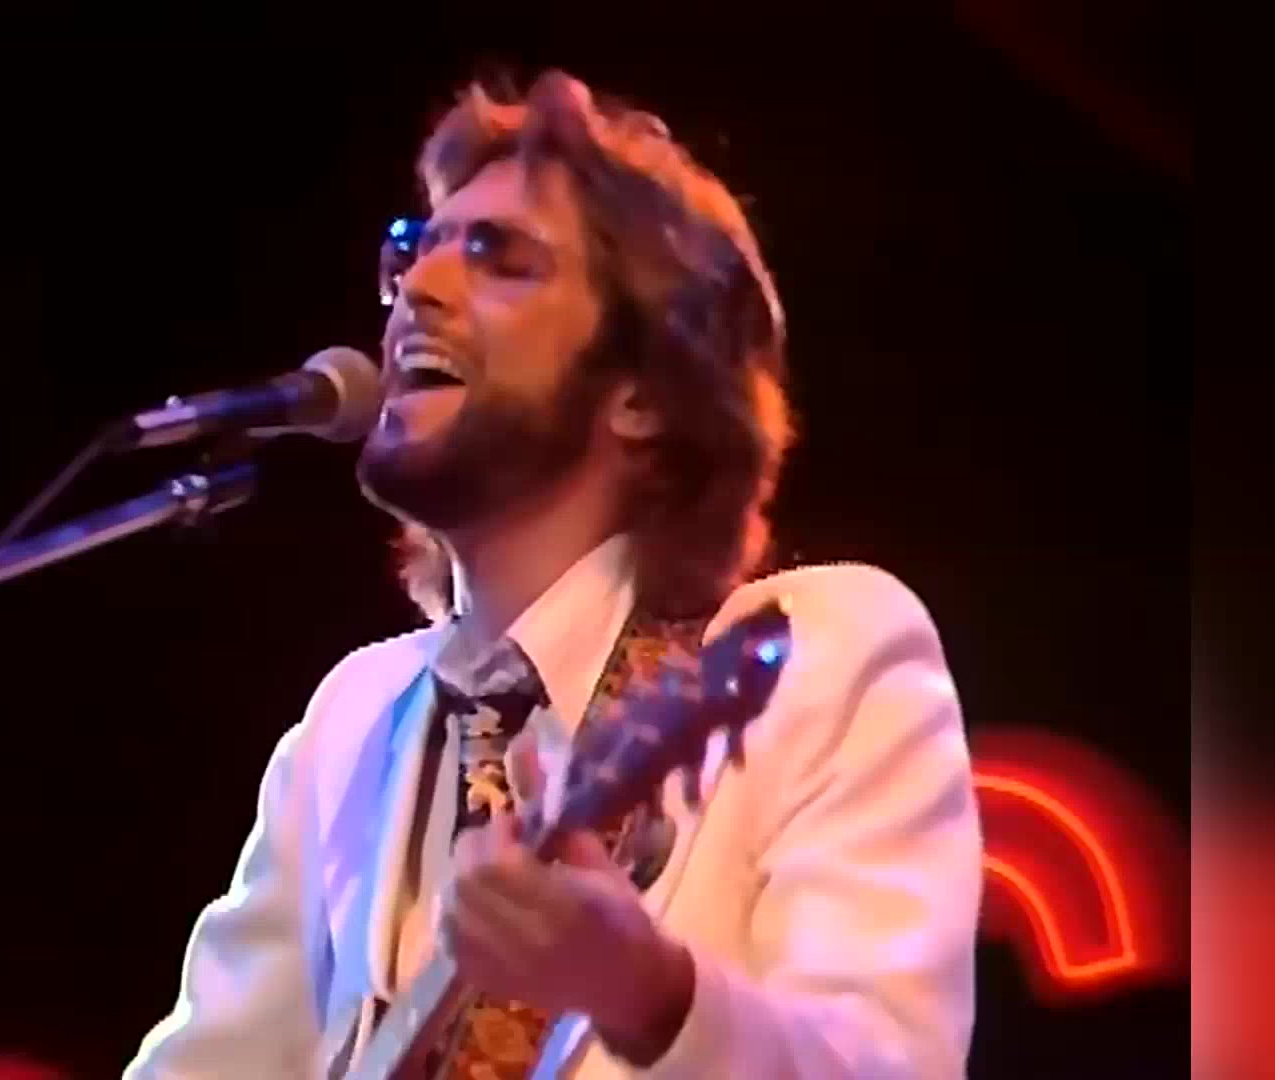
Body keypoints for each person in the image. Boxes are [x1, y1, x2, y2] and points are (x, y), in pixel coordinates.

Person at [126, 70, 981, 1079]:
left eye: (500, 258)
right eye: (415, 251)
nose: (419, 291)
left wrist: (650, 994)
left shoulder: (821, 654)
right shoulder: (351, 719)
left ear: (643, 394)